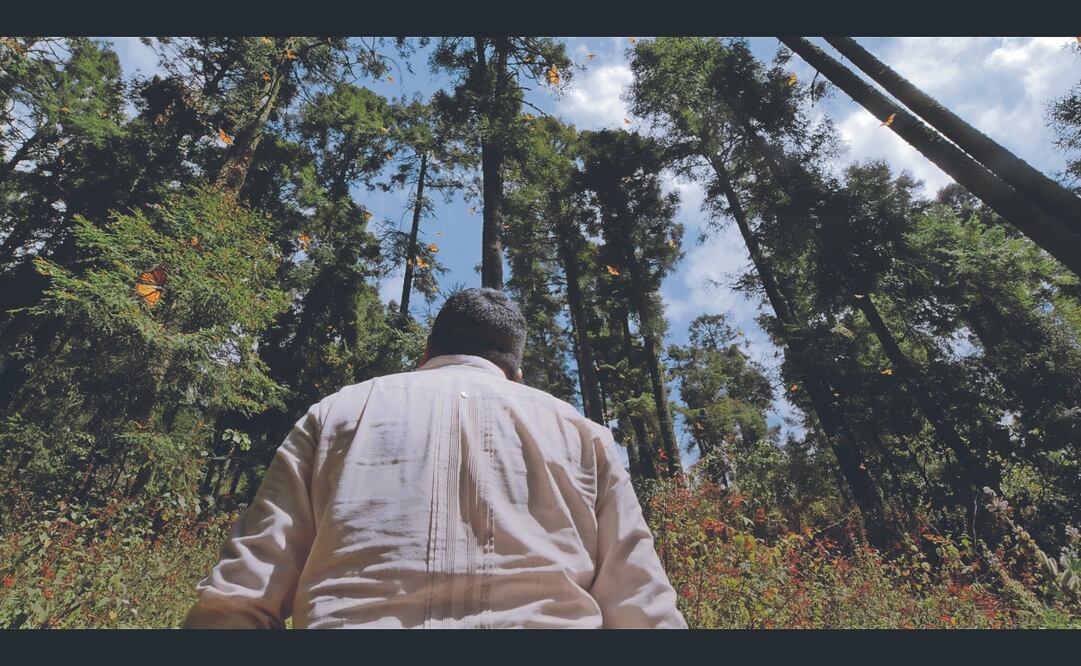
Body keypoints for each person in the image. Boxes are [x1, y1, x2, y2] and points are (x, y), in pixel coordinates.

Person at [183, 287, 686, 629]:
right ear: (516, 369)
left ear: (426, 349)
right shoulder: (582, 434)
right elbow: (643, 609)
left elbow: (239, 599)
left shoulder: (337, 413)